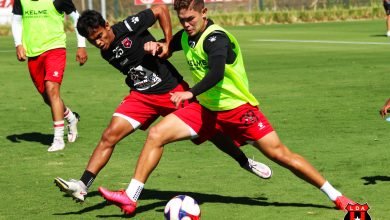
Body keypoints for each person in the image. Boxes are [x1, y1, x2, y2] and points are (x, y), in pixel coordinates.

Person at [97, 0, 356, 216]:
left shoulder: (215, 39)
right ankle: (131, 197)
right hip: (206, 110)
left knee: (281, 155)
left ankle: (337, 196)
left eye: (191, 19)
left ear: (204, 13)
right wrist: (159, 46)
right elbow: (169, 48)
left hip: (239, 110)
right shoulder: (187, 36)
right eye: (182, 19)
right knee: (156, 135)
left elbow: (217, 73)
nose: (186, 24)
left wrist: (189, 92)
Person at [54, 6, 272, 203]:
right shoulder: (105, 49)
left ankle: (244, 161)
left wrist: (166, 42)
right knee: (109, 135)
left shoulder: (129, 26)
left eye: (100, 36)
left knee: (213, 131)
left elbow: (160, 9)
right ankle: (82, 185)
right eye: (93, 41)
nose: (98, 43)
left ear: (107, 25)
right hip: (140, 96)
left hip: (172, 92)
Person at [11, 0, 87, 152]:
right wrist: (18, 44)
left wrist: (81, 45)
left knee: (52, 89)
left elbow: (77, 18)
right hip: (33, 54)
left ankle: (58, 139)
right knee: (48, 97)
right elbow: (16, 21)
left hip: (55, 48)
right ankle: (71, 118)